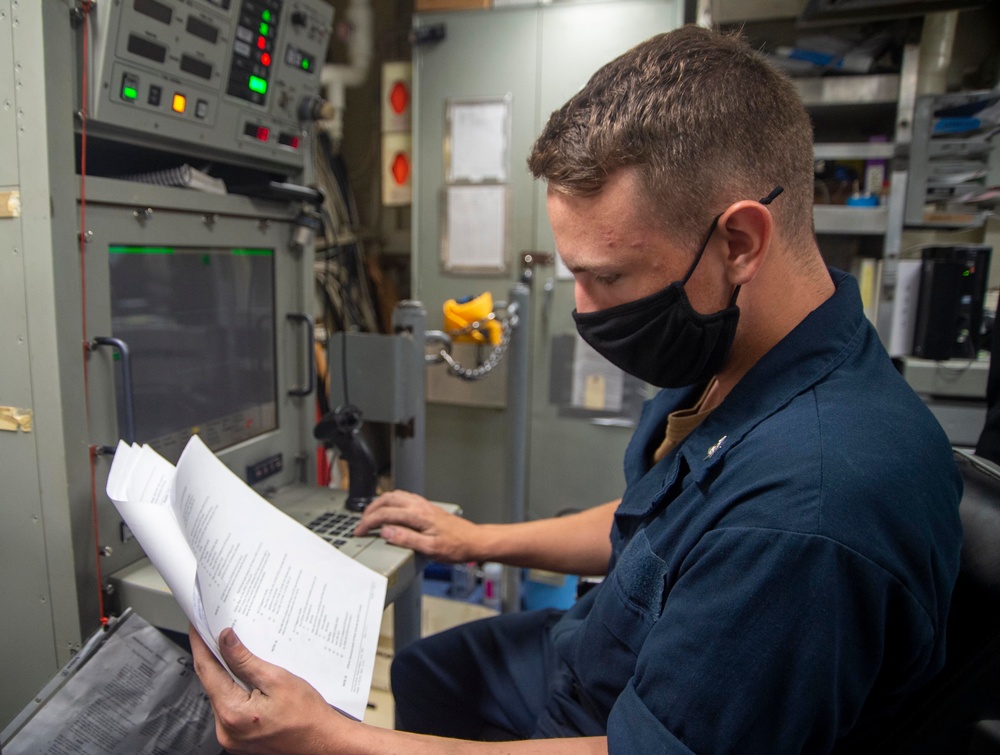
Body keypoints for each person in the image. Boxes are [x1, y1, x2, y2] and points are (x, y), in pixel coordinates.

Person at [190, 25, 964, 753]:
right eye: (575, 275)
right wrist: (477, 539)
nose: (585, 309)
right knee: (428, 669)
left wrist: (332, 738)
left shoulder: (808, 522)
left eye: (609, 276)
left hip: (621, 716)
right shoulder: (753, 342)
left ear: (739, 241)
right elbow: (658, 519)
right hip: (601, 642)